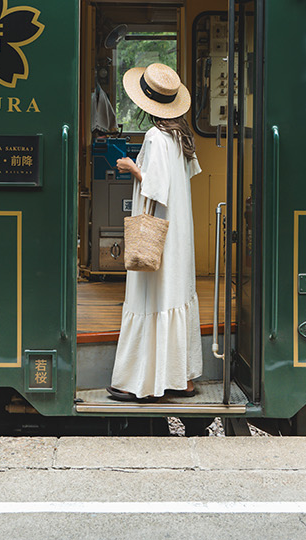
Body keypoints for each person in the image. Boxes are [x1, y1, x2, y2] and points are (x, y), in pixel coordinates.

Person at [108, 61, 203, 402]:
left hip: (156, 234)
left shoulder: (153, 136)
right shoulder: (181, 135)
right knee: (175, 295)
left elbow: (155, 187)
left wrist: (131, 166)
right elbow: (182, 178)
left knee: (150, 297)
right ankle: (184, 380)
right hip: (177, 231)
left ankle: (140, 382)